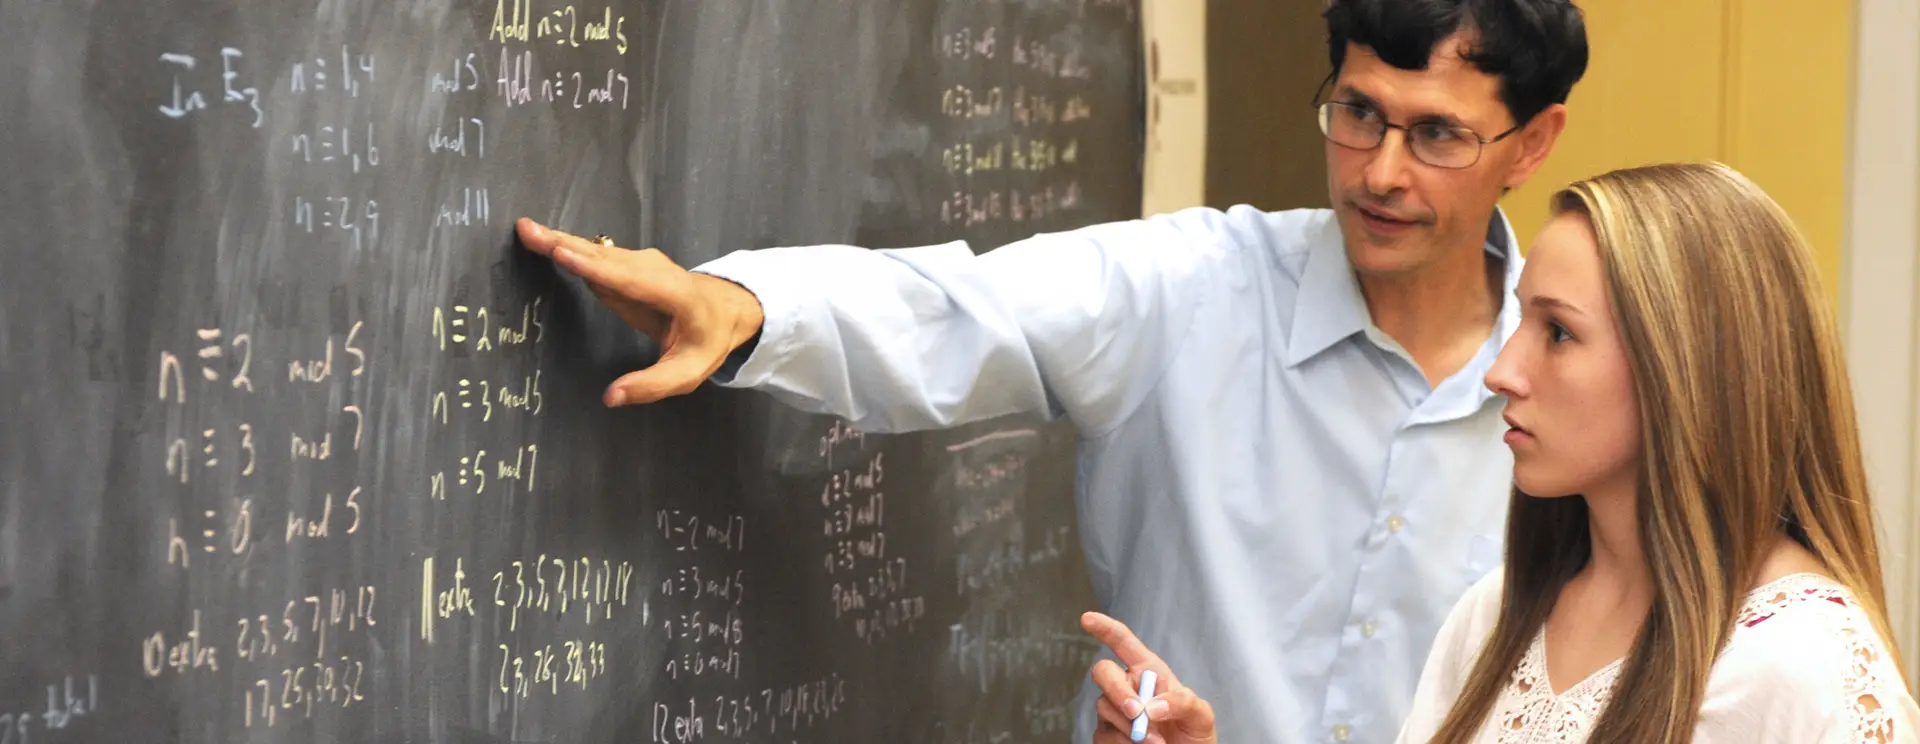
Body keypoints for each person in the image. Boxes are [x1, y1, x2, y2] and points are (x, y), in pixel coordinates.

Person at [513, 1, 1588, 741]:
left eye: (1439, 134)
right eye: (1358, 114)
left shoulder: (1578, 388)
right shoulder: (1190, 286)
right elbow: (958, 313)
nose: (1384, 172)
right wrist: (744, 308)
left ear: (1532, 142)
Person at [1082, 162, 1920, 743]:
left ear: (1688, 369)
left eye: (1558, 332)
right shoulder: (1498, 613)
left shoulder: (1801, 666)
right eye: (1519, 320)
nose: (1503, 371)